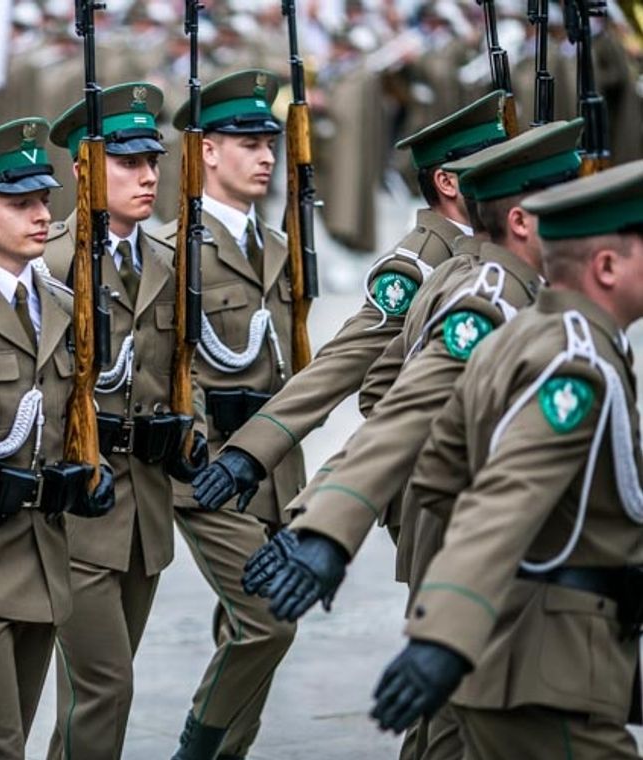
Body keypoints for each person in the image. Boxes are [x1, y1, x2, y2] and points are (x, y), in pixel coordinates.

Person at [245, 120, 586, 760]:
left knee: (455, 723)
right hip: (465, 533)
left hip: (483, 535)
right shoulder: (482, 290)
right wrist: (313, 513)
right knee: (466, 718)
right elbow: (383, 394)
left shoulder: (500, 281)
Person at [371, 159, 643, 760]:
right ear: (605, 266)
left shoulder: (535, 334)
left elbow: (442, 472)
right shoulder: (575, 362)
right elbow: (501, 498)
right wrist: (448, 627)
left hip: (511, 654)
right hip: (546, 669)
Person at [193, 90, 509, 524]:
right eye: (494, 165)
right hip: (438, 478)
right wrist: (253, 451)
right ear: (448, 182)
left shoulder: (503, 245)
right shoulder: (420, 262)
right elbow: (342, 362)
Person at [0, 116, 114, 760]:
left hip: (43, 560)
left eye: (44, 200)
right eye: (20, 204)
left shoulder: (60, 301)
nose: (42, 214)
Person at [42, 81, 207, 760]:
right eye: (128, 163)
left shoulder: (166, 261)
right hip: (79, 511)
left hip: (143, 508)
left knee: (99, 691)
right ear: (84, 169)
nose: (148, 177)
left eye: (153, 162)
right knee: (106, 686)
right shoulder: (52, 265)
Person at [154, 69, 303, 760]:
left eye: (269, 140)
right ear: (207, 151)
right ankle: (198, 744)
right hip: (206, 467)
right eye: (246, 142)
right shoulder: (170, 248)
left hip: (273, 467)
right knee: (270, 619)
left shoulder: (277, 246)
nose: (265, 154)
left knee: (244, 628)